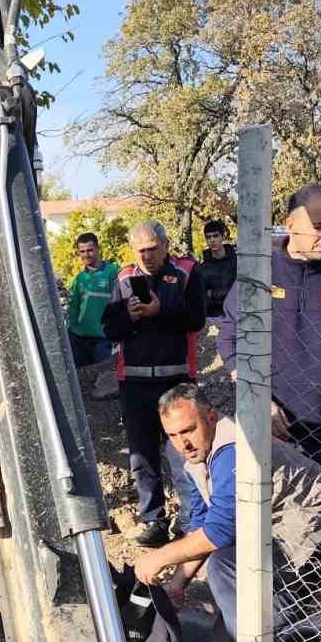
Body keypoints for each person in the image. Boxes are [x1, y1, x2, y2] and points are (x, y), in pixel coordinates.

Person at [218, 183, 321, 642]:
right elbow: (230, 343)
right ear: (290, 225)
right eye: (319, 226)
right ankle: (263, 626)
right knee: (264, 522)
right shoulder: (258, 273)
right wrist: (257, 400)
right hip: (271, 425)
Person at [132, 383, 321, 642]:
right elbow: (203, 524)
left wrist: (161, 557)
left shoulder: (232, 449)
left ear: (211, 418)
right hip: (278, 529)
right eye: (173, 435)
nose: (183, 444)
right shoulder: (196, 458)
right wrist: (179, 581)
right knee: (227, 618)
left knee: (224, 565)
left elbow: (220, 531)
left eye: (189, 430)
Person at [102, 220, 206, 546]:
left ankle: (192, 522)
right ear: (133, 251)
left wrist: (162, 311)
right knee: (141, 457)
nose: (147, 255)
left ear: (164, 245)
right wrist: (130, 317)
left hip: (176, 380)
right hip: (133, 382)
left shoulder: (188, 272)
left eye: (152, 248)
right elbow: (108, 327)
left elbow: (197, 318)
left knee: (182, 453)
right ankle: (153, 521)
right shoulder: (122, 278)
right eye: (141, 250)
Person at [66, 233, 118, 368]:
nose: (86, 255)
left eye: (90, 250)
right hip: (78, 339)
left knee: (103, 382)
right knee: (81, 382)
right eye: (82, 251)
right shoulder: (79, 278)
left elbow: (121, 305)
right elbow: (73, 308)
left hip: (102, 340)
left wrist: (117, 333)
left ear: (98, 249)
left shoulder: (113, 273)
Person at [200, 219, 238, 314]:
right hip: (213, 316)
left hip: (237, 314)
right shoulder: (202, 268)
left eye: (215, 236)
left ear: (223, 236)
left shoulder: (237, 262)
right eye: (208, 237)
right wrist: (214, 295)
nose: (212, 240)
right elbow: (200, 297)